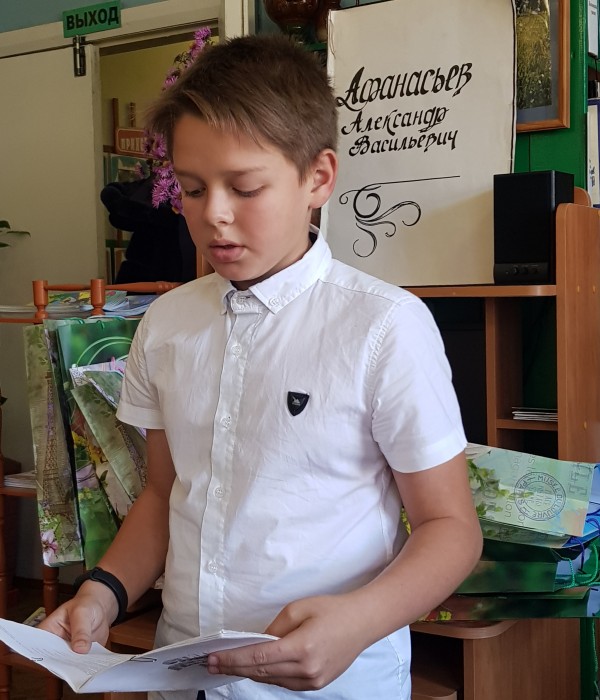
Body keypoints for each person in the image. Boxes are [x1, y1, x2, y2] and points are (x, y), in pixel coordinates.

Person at [40, 34, 483, 700]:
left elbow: (451, 529)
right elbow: (163, 494)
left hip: (335, 683)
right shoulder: (167, 324)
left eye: (244, 188)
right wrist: (102, 593)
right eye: (192, 189)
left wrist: (359, 621)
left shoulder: (384, 326)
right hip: (186, 675)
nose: (214, 215)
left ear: (318, 179)